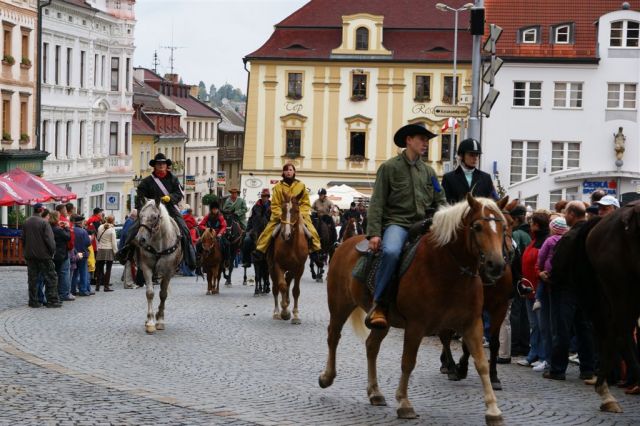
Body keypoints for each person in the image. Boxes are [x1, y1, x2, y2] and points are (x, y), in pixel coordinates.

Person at [366, 123, 447, 329]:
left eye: (427, 140)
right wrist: (374, 233)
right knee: (392, 252)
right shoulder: (389, 167)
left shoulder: (429, 172)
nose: (425, 143)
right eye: (422, 139)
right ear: (408, 140)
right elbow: (377, 202)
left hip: (424, 224)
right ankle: (379, 304)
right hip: (398, 223)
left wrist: (447, 221)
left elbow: (441, 201)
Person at [116, 153, 197, 270]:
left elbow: (180, 194)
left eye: (163, 163)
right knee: (132, 231)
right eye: (159, 164)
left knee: (184, 230)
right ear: (154, 166)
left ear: (166, 165)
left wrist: (170, 198)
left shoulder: (173, 179)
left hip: (170, 209)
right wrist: (142, 211)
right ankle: (126, 252)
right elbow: (139, 198)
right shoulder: (146, 182)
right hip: (150, 211)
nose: (161, 166)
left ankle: (189, 258)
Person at [546, 201, 596, 381]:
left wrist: (550, 278)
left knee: (562, 330)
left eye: (566, 213)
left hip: (566, 288)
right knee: (585, 330)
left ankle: (558, 370)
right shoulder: (593, 233)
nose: (564, 217)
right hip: (586, 289)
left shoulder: (570, 237)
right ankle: (588, 369)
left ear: (572, 215)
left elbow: (558, 265)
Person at [254, 163, 322, 258]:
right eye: (286, 170)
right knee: (268, 231)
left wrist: (299, 213)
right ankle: (260, 250)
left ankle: (315, 250)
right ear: (283, 172)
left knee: (311, 230)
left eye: (290, 170)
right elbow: (275, 204)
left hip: (298, 214)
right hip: (282, 215)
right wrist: (282, 215)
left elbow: (306, 203)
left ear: (294, 172)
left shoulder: (301, 185)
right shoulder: (278, 187)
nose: (288, 172)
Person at [517, 211, 550, 368]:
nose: (530, 226)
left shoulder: (545, 242)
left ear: (536, 225)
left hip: (539, 290)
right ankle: (533, 355)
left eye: (531, 223)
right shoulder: (534, 240)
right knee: (534, 325)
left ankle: (544, 357)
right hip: (529, 288)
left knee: (542, 325)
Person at [23, 203, 61, 308]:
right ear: (41, 210)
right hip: (44, 255)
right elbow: (50, 240)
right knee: (51, 277)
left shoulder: (26, 222)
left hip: (30, 255)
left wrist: (26, 252)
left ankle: (33, 301)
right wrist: (52, 251)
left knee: (32, 279)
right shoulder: (44, 223)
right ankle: (52, 301)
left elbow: (23, 239)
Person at [441, 138, 498, 204]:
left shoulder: (486, 178)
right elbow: (444, 204)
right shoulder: (448, 178)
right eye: (471, 155)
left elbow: (494, 201)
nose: (475, 158)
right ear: (461, 156)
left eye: (477, 155)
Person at [508, 204, 532, 359]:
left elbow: (512, 256)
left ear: (515, 219)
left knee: (516, 314)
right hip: (528, 278)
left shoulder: (516, 234)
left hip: (518, 277)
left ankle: (516, 346)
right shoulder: (530, 233)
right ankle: (524, 344)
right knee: (525, 314)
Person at [242, 188, 271, 267]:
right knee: (246, 240)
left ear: (268, 197)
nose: (265, 198)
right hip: (256, 230)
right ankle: (247, 261)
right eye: (263, 196)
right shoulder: (255, 207)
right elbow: (250, 219)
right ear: (261, 196)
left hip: (269, 230)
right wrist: (247, 230)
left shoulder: (273, 207)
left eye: (266, 196)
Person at [50, 211, 73, 303]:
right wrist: (67, 228)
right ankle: (63, 294)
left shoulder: (49, 227)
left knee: (54, 274)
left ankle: (55, 293)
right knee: (63, 274)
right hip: (61, 254)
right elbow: (68, 237)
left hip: (53, 254)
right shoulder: (58, 229)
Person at [197, 201, 228, 269]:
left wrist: (220, 233)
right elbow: (201, 225)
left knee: (226, 244)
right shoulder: (207, 216)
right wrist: (206, 229)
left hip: (217, 234)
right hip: (208, 234)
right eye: (213, 209)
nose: (214, 210)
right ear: (211, 209)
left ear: (217, 209)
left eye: (216, 209)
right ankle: (198, 260)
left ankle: (225, 260)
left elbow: (224, 226)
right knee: (198, 243)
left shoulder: (220, 217)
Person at [95, 215, 118, 292]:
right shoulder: (112, 229)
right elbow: (114, 243)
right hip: (108, 249)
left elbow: (98, 238)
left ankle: (97, 286)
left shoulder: (100, 227)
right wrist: (115, 252)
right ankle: (106, 286)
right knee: (108, 269)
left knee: (99, 268)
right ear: (113, 221)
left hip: (101, 249)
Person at [70, 215, 91, 296]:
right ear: (81, 223)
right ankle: (83, 290)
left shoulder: (71, 230)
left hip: (74, 255)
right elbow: (88, 243)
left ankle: (72, 290)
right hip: (83, 254)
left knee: (74, 273)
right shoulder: (83, 231)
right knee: (83, 273)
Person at [119, 210, 138, 288]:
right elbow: (127, 234)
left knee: (129, 264)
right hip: (128, 246)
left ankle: (126, 280)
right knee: (129, 264)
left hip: (126, 246)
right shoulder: (130, 222)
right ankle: (128, 283)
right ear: (134, 216)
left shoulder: (128, 221)